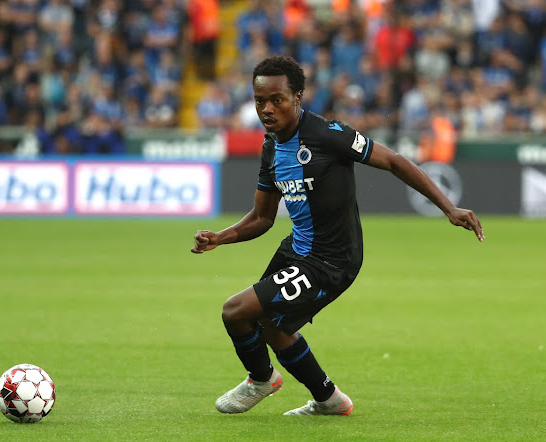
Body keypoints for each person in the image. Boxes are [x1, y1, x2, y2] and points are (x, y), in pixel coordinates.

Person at [191, 55, 484, 416]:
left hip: (332, 260)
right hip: (299, 250)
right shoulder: (271, 147)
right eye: (259, 101)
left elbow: (393, 161)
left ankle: (262, 378)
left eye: (276, 100)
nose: (266, 109)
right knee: (272, 326)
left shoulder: (329, 135)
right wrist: (221, 237)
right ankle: (329, 399)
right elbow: (263, 217)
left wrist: (449, 207)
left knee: (235, 311)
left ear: (298, 97)